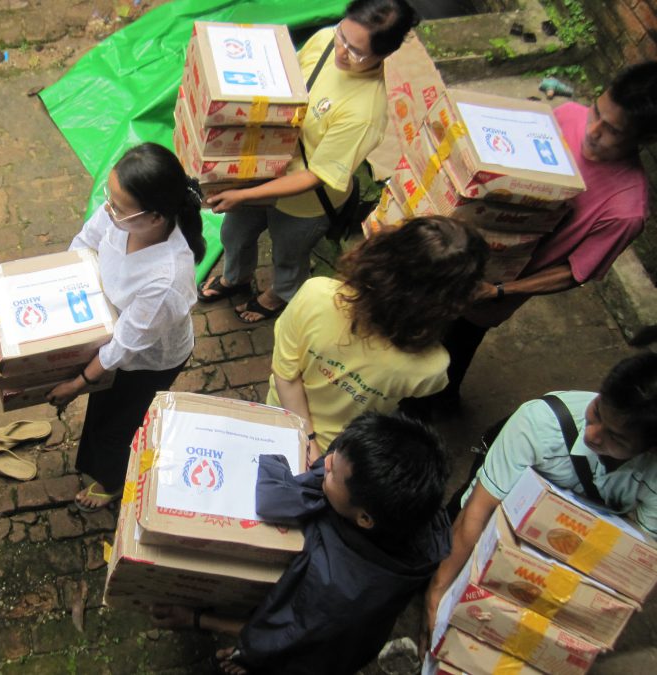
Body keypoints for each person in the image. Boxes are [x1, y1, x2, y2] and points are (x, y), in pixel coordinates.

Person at [152, 412, 452, 675]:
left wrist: (197, 619)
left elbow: (281, 634)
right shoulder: (418, 511)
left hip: (312, 655)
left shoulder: (334, 588)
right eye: (336, 451)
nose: (326, 461)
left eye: (332, 473)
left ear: (364, 518)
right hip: (356, 633)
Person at [434, 61, 657, 407]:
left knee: (451, 353)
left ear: (643, 140)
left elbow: (575, 272)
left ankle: (436, 405)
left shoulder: (626, 209)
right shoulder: (567, 114)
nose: (592, 130)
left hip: (489, 291)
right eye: (596, 111)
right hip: (453, 253)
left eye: (612, 130)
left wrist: (499, 291)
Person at [197, 0, 418, 323]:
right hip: (261, 167)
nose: (341, 51)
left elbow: (316, 176)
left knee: (289, 254)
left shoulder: (365, 111)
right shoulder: (328, 39)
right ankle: (237, 277)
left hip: (304, 201)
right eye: (343, 36)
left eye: (356, 52)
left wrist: (242, 195)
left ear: (383, 55)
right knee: (234, 234)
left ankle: (278, 295)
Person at [424, 352, 657, 637]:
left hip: (563, 545)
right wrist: (437, 594)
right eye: (597, 413)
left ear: (649, 450)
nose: (593, 435)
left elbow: (636, 557)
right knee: (443, 556)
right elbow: (477, 512)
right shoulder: (539, 424)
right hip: (496, 514)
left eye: (616, 438)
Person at [46, 143, 204, 511]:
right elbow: (86, 241)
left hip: (146, 363)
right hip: (113, 334)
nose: (108, 209)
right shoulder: (120, 217)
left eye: (118, 206)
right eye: (110, 197)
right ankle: (103, 463)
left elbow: (124, 346)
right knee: (104, 410)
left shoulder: (166, 278)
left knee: (121, 423)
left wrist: (78, 383)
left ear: (154, 217)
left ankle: (113, 480)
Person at [269, 216, 488, 459]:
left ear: (382, 252)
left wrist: (306, 440)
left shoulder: (315, 294)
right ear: (452, 301)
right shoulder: (433, 367)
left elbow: (286, 376)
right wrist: (314, 452)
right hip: (339, 452)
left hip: (280, 417)